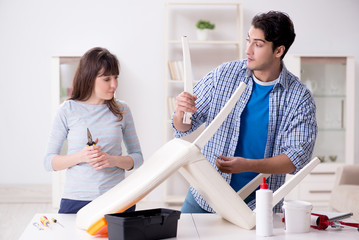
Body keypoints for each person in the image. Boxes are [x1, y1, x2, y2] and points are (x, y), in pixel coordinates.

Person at [172, 11, 317, 214]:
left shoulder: (299, 98)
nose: (248, 50)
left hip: (257, 207)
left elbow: (296, 159)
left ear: (278, 51)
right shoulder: (224, 75)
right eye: (248, 41)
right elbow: (185, 125)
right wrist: (181, 112)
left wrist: (248, 165)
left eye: (257, 44)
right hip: (205, 195)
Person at [44, 47, 143, 214]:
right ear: (89, 78)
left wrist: (113, 160)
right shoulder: (67, 110)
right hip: (76, 200)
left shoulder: (122, 110)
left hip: (117, 199)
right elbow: (49, 162)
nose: (114, 84)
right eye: (106, 79)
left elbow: (138, 158)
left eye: (115, 77)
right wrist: (81, 156)